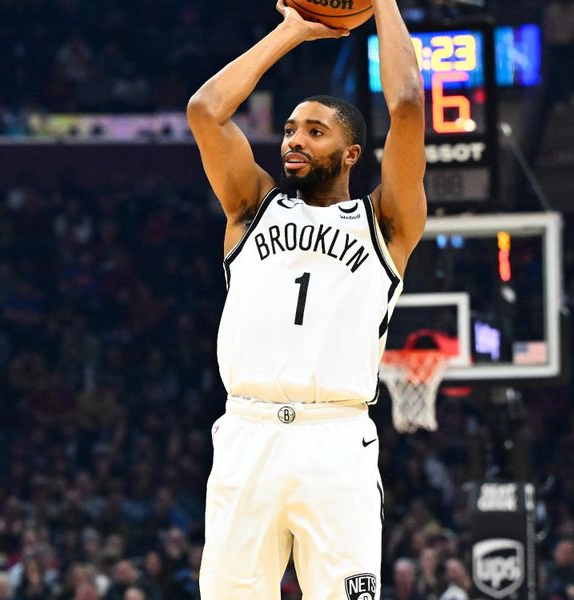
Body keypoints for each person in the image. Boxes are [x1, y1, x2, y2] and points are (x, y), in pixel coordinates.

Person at [186, 0, 426, 594]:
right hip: (248, 431)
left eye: (314, 132)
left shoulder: (386, 223)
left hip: (336, 439)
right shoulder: (251, 207)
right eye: (290, 129)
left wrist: (385, 4)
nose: (294, 140)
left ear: (351, 155)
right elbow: (205, 112)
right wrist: (290, 31)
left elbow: (407, 106)